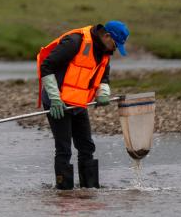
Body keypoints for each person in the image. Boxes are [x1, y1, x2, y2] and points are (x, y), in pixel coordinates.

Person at [36, 21, 130, 190]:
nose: (115, 49)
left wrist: (103, 93)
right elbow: (47, 66)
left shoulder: (104, 52)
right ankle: (63, 192)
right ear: (107, 36)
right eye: (115, 44)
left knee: (87, 146)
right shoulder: (75, 42)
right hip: (57, 102)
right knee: (64, 148)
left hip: (78, 102)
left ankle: (90, 190)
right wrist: (55, 99)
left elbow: (103, 78)